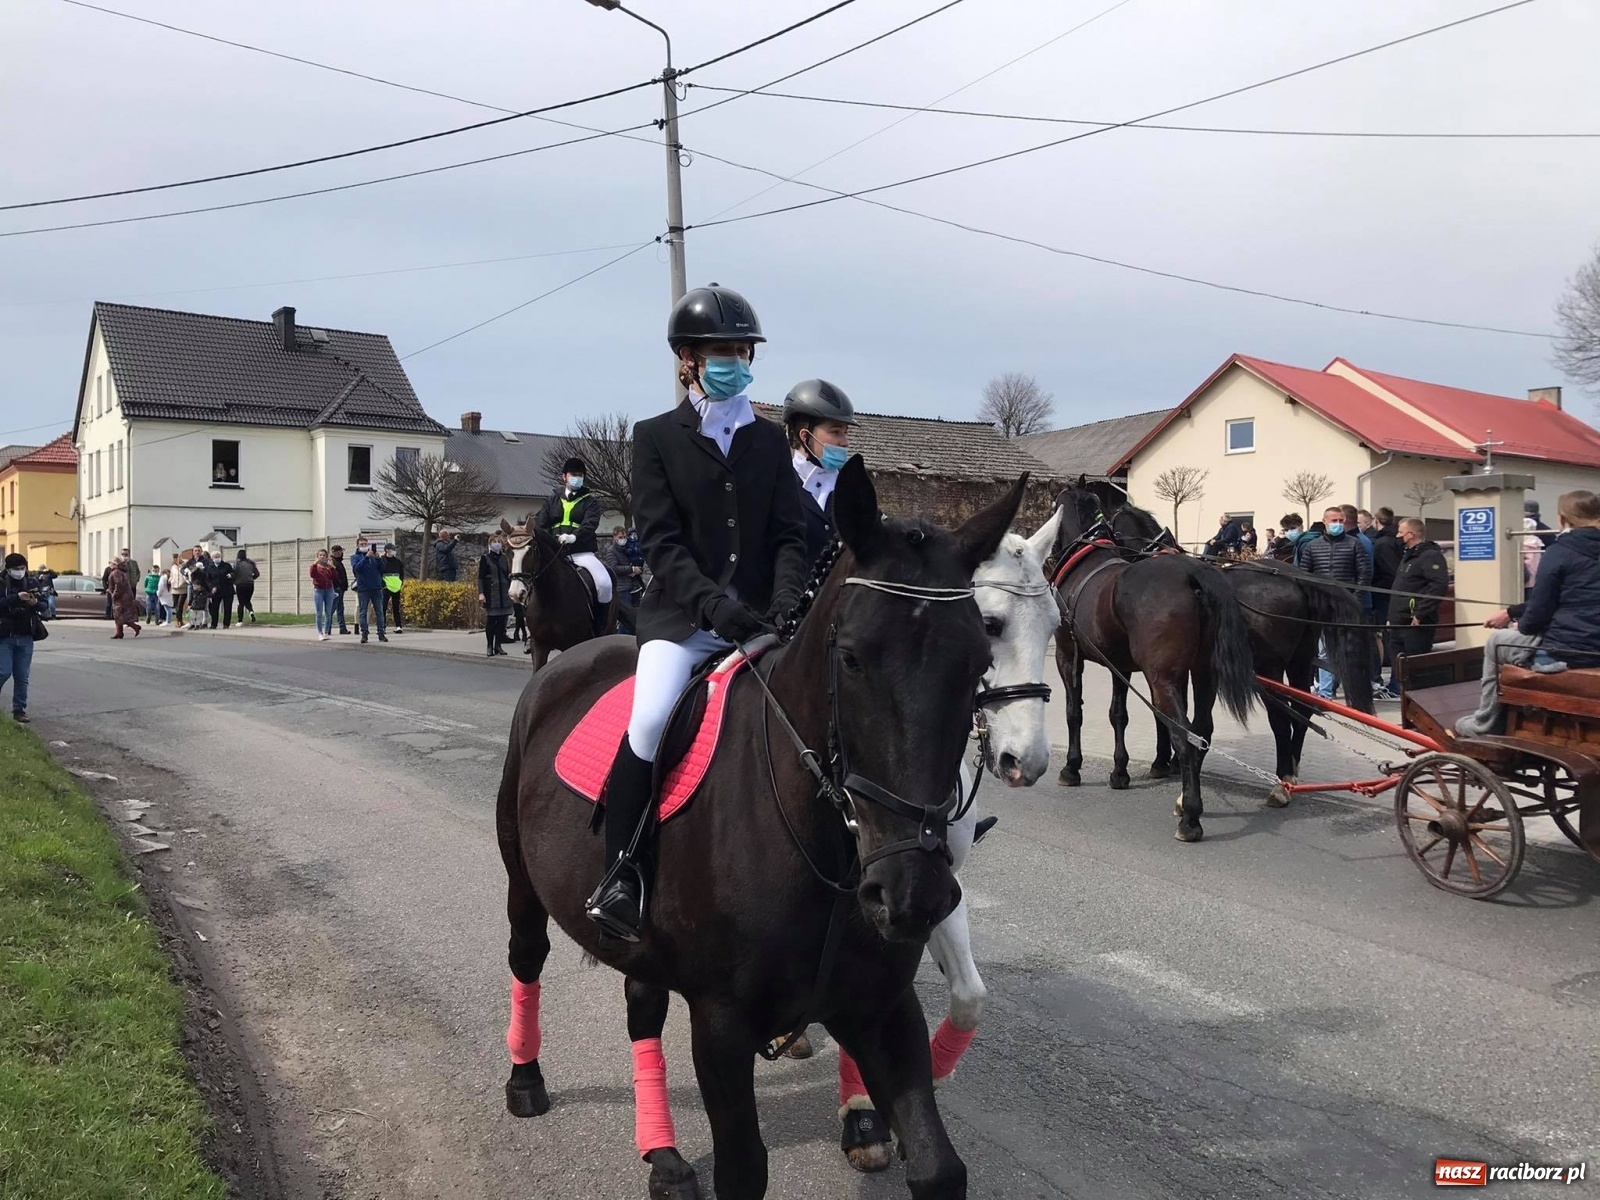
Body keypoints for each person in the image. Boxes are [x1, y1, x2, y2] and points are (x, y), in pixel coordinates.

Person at [585, 282, 808, 942]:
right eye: (721, 351)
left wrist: (788, 603)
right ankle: (621, 873)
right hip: (683, 622)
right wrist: (715, 607)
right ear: (687, 358)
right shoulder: (655, 438)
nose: (734, 359)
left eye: (742, 350)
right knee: (651, 720)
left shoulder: (770, 443)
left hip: (763, 622)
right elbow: (661, 542)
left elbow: (790, 534)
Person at [1456, 490, 1600, 737]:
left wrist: (1519, 624)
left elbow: (1537, 616)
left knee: (1496, 643)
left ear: (1562, 518)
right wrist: (1512, 612)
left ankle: (1485, 723)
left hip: (1568, 651)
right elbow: (1573, 597)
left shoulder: (1559, 551)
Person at [781, 377, 857, 564]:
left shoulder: (851, 490)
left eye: (845, 432)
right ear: (805, 436)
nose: (845, 442)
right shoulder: (778, 485)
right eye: (836, 432)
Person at [536, 455, 613, 637]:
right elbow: (541, 524)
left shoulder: (591, 502)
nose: (576, 478)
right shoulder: (551, 500)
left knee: (604, 583)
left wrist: (574, 537)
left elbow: (590, 524)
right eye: (573, 474)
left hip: (582, 552)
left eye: (580, 475)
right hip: (555, 554)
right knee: (531, 581)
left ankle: (599, 628)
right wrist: (552, 541)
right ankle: (533, 629)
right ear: (564, 476)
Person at [1300, 505, 1371, 698]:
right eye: (1334, 521)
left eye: (1341, 521)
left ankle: (1352, 691)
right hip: (1321, 607)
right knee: (1324, 652)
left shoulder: (1355, 544)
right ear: (1324, 522)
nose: (1338, 524)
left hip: (1347, 606)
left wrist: (1354, 599)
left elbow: (1364, 574)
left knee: (1348, 649)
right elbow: (1304, 575)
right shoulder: (1312, 546)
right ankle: (1326, 692)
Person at [1383, 518, 1449, 693]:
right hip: (1398, 622)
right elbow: (1400, 588)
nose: (1397, 536)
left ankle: (1420, 700)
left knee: (1416, 668)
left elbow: (1438, 586)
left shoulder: (1430, 555)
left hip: (1415, 624)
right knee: (1400, 669)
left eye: (1400, 532)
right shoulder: (1408, 555)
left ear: (1410, 534)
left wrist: (1420, 613)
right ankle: (1404, 698)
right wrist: (1391, 618)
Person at [1, 554, 41, 723]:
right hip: (5, 635)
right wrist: (16, 598)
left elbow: (44, 605)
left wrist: (34, 603)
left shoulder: (31, 582)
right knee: (3, 671)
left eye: (22, 568)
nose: (20, 572)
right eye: (16, 569)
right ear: (8, 569)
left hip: (26, 635)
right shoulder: (2, 583)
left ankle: (19, 710)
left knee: (22, 676)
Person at [598, 524, 644, 636]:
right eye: (620, 537)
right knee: (625, 619)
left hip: (633, 587)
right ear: (614, 537)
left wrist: (637, 569)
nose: (622, 540)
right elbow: (613, 568)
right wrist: (631, 569)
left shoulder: (628, 549)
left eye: (624, 537)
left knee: (634, 616)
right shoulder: (611, 551)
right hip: (621, 588)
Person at [478, 534, 513, 656]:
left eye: (498, 541)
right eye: (494, 541)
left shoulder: (504, 558)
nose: (497, 543)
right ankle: (489, 646)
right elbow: (481, 577)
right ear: (490, 544)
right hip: (491, 593)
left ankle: (498, 646)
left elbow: (509, 574)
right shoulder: (485, 558)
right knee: (491, 621)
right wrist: (481, 593)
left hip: (504, 592)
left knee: (502, 622)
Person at [350, 538, 387, 644]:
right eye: (362, 544)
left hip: (376, 587)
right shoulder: (355, 557)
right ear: (357, 545)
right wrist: (366, 557)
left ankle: (381, 633)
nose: (364, 545)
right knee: (363, 612)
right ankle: (364, 634)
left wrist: (378, 559)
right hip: (363, 588)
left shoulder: (373, 557)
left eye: (365, 544)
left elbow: (383, 569)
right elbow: (357, 568)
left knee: (379, 612)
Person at [107, 553, 142, 639]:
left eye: (110, 563)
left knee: (120, 615)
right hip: (125, 596)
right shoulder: (120, 571)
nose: (110, 565)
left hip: (121, 597)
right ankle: (119, 632)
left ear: (115, 564)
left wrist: (115, 594)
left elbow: (119, 584)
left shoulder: (116, 572)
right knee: (119, 615)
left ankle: (134, 627)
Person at [309, 548, 337, 641]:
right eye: (320, 555)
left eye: (324, 555)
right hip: (319, 591)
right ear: (317, 557)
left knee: (328, 612)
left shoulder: (328, 568)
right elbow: (312, 574)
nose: (322, 557)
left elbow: (334, 577)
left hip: (329, 590)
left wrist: (332, 567)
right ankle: (320, 633)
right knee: (319, 612)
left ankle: (326, 632)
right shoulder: (316, 567)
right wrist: (314, 564)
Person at [379, 543, 406, 634]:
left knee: (396, 607)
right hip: (386, 587)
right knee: (383, 607)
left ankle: (398, 626)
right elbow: (380, 573)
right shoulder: (382, 560)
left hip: (396, 587)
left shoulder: (397, 562)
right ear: (387, 550)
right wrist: (383, 585)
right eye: (392, 549)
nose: (394, 551)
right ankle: (382, 626)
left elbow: (401, 574)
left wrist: (400, 583)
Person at [205, 551, 236, 630]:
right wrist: (212, 587)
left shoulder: (226, 565)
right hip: (216, 591)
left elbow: (233, 573)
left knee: (227, 607)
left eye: (218, 557)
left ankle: (226, 624)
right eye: (215, 557)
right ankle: (214, 624)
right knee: (214, 608)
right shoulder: (210, 567)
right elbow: (208, 580)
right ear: (212, 558)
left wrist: (231, 575)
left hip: (227, 590)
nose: (217, 558)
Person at [330, 545, 351, 635]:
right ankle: (328, 628)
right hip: (336, 588)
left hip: (340, 588)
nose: (339, 554)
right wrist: (337, 585)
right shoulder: (333, 562)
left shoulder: (338, 562)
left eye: (340, 552)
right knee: (332, 609)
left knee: (340, 608)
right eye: (337, 552)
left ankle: (342, 628)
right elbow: (333, 576)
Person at [233, 549, 259, 623]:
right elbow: (257, 574)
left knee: (241, 602)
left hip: (240, 584)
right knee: (247, 600)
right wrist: (251, 578)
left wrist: (234, 581)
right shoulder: (251, 563)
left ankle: (240, 620)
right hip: (250, 584)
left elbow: (234, 573)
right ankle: (251, 611)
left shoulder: (237, 563)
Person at [168, 554, 188, 626]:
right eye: (173, 559)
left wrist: (185, 581)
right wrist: (170, 580)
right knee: (176, 605)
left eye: (175, 559)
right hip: (174, 588)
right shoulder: (173, 567)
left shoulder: (184, 566)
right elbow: (171, 576)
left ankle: (179, 620)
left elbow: (186, 575)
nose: (174, 560)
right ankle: (179, 620)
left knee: (180, 605)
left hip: (182, 588)